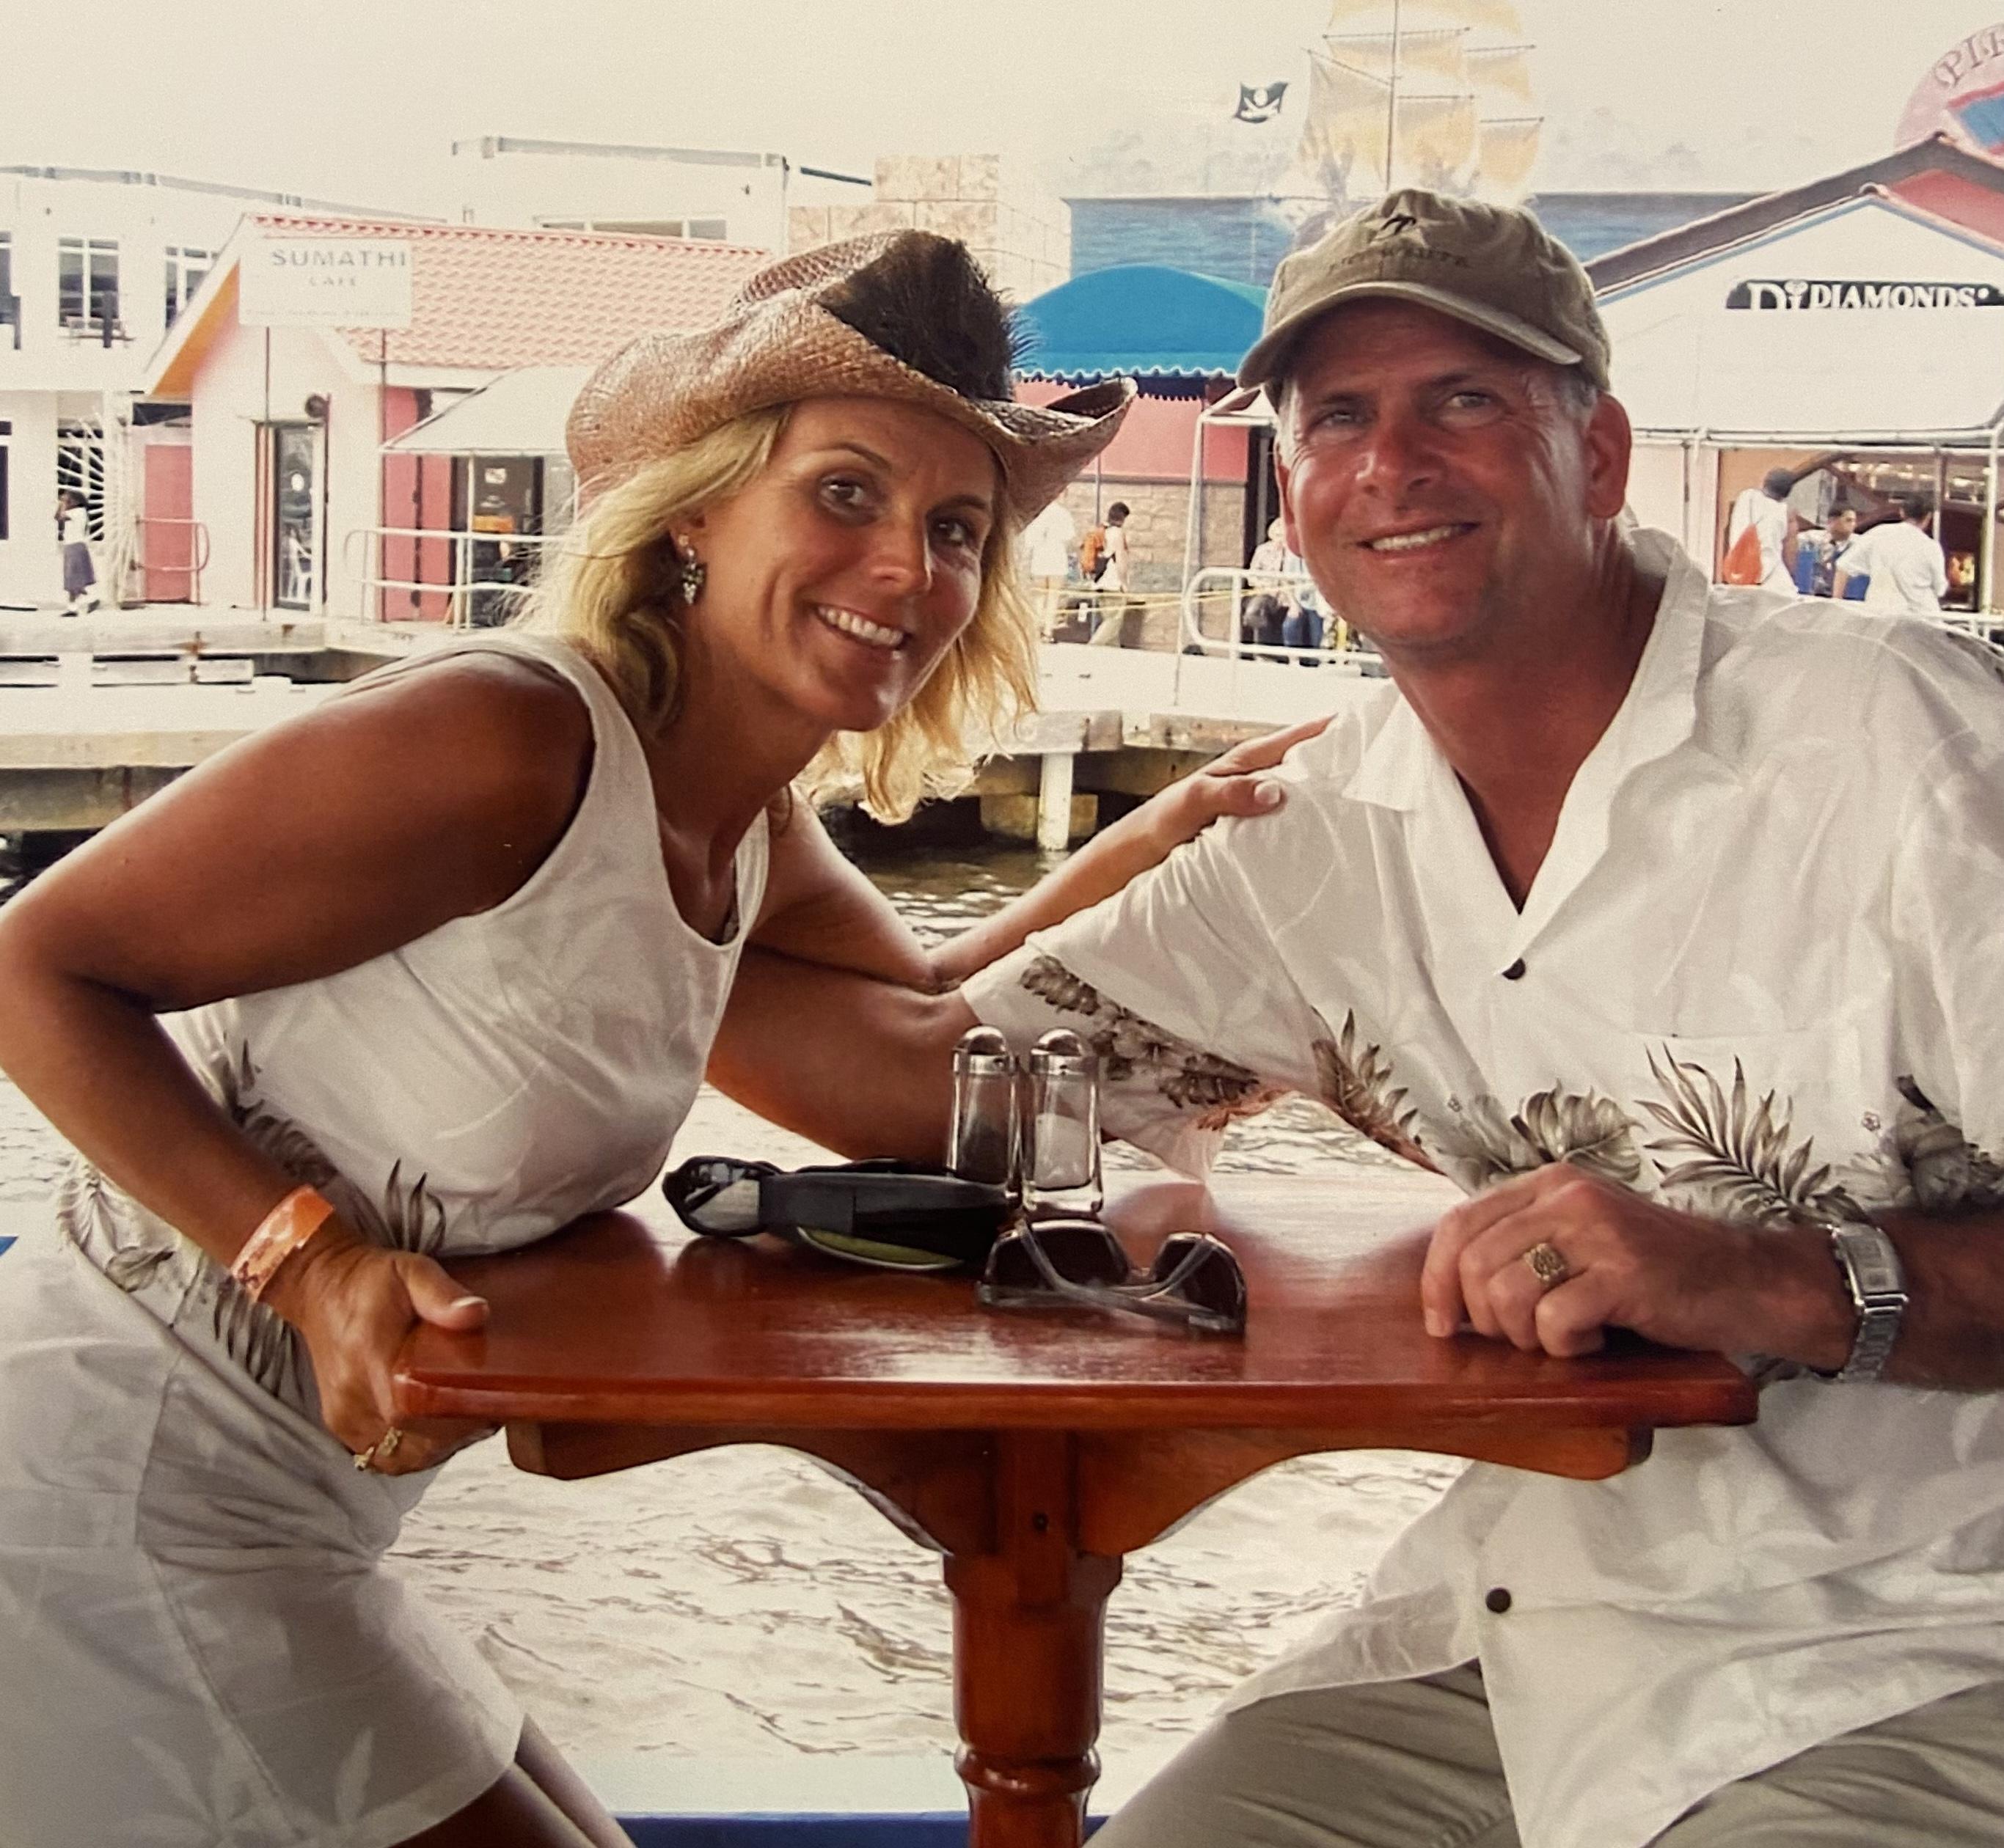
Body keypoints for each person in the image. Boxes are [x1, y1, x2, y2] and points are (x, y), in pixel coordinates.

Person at [714, 188, 2004, 1847]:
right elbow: (930, 1086)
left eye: (1462, 401)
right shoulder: (1317, 834)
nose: (1391, 463)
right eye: (1336, 419)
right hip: (1542, 1621)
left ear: (1598, 455)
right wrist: (632, 808)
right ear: (1294, 489)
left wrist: (1768, 1278)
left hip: (1943, 1642)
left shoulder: (1898, 748)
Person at [0, 230, 1312, 1848]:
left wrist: (1157, 845)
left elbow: (925, 1032)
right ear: (697, 508)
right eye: (844, 493)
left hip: (306, 1521)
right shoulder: (506, 740)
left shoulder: (741, 825)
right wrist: (315, 1266)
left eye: (954, 528)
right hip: (102, 1492)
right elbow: (36, 966)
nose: (904, 567)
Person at [1836, 493, 1949, 617]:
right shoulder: (1931, 547)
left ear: (1902, 512)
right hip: (1921, 617)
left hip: (1880, 616)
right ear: (1928, 517)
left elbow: (1843, 566)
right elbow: (1940, 589)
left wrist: (1836, 605)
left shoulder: (1878, 533)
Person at [1722, 465, 1798, 590]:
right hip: (1768, 576)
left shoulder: (1746, 498)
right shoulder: (1784, 513)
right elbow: (1790, 552)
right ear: (1786, 494)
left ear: (1764, 483)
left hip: (1738, 571)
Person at [1022, 493, 1076, 639]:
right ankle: (1048, 631)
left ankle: (1036, 628)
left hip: (1039, 559)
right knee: (1053, 596)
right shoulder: (1063, 514)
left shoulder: (1037, 514)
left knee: (1039, 597)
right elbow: (1069, 537)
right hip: (1057, 558)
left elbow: (1030, 540)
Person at [1086, 499, 1136, 646]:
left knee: (1111, 620)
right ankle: (1093, 645)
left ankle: (1114, 650)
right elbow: (1120, 560)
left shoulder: (1103, 530)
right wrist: (1124, 583)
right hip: (1113, 582)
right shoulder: (1118, 533)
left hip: (1100, 580)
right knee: (1114, 619)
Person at [1242, 516, 1292, 652]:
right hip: (1265, 593)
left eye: (1283, 535)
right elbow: (1251, 576)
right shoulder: (1262, 550)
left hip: (1287, 595)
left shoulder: (1292, 553)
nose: (1280, 538)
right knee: (1256, 611)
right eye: (1277, 534)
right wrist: (1265, 587)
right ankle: (1264, 650)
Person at [1790, 500, 1857, 598]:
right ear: (1832, 521)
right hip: (1811, 592)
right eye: (1848, 520)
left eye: (1854, 521)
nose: (1853, 525)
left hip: (1845, 594)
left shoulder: (1859, 544)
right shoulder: (1811, 538)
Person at [56, 488, 99, 615]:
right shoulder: (73, 512)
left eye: (68, 499)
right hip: (71, 546)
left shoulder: (79, 511)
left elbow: (61, 516)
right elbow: (57, 517)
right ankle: (73, 608)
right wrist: (61, 504)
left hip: (75, 546)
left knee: (73, 578)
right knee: (72, 579)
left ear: (75, 501)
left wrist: (62, 504)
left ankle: (91, 599)